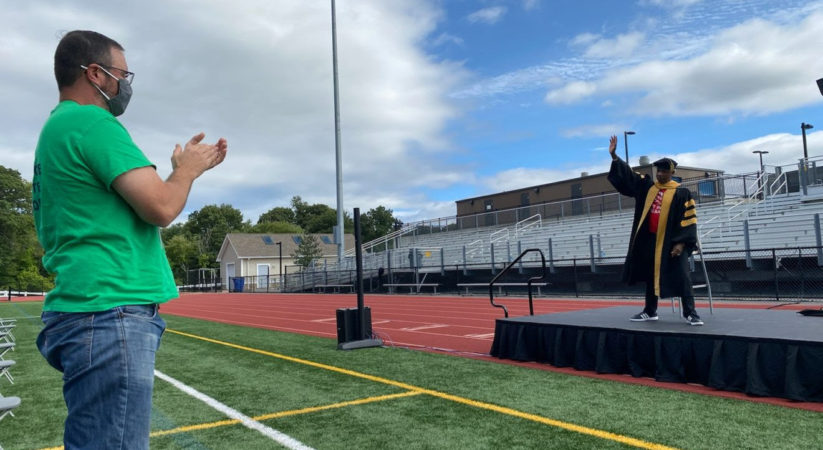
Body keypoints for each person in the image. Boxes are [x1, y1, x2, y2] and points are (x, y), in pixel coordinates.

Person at [32, 30, 227, 449]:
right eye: (124, 74)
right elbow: (160, 207)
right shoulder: (91, 122)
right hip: (108, 311)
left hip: (88, 309)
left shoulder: (58, 127)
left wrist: (179, 171)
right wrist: (187, 170)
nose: (127, 85)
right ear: (96, 74)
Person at [606, 136, 703, 326]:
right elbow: (628, 176)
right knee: (651, 276)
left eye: (664, 172)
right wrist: (615, 156)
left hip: (672, 241)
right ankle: (650, 311)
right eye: (658, 171)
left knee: (683, 275)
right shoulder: (647, 186)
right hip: (650, 240)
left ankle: (690, 313)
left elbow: (689, 220)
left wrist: (681, 243)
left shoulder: (681, 193)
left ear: (671, 173)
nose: (660, 174)